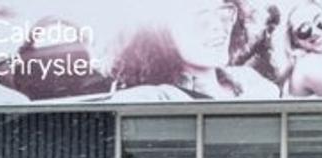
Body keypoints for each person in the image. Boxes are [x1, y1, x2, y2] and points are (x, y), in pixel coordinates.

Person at [109, 0, 280, 101]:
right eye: (200, 18)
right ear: (160, 33)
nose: (218, 27)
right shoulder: (151, 98)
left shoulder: (249, 79)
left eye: (224, 13)